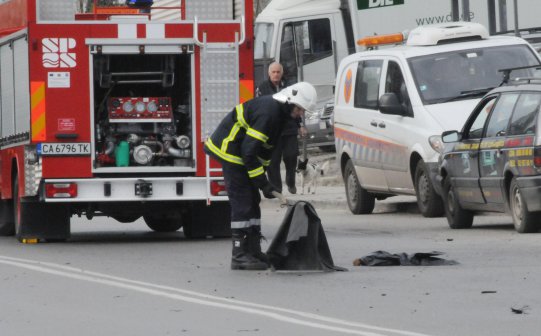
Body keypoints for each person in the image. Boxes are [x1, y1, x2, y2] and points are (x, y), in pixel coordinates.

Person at [204, 82, 317, 270]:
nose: (301, 114)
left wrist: (264, 183)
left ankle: (253, 249)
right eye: (300, 109)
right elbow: (249, 152)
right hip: (231, 151)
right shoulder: (269, 113)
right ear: (290, 101)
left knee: (253, 200)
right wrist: (263, 183)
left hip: (243, 153)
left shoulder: (281, 116)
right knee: (243, 201)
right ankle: (239, 255)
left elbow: (265, 151)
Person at [256, 62, 307, 194]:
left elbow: (297, 107)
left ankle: (291, 182)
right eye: (273, 72)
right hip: (272, 131)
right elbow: (259, 107)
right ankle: (276, 188)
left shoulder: (290, 87)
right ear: (269, 73)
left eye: (278, 72)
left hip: (289, 128)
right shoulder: (262, 87)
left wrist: (300, 126)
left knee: (291, 156)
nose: (276, 74)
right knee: (273, 161)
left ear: (282, 73)